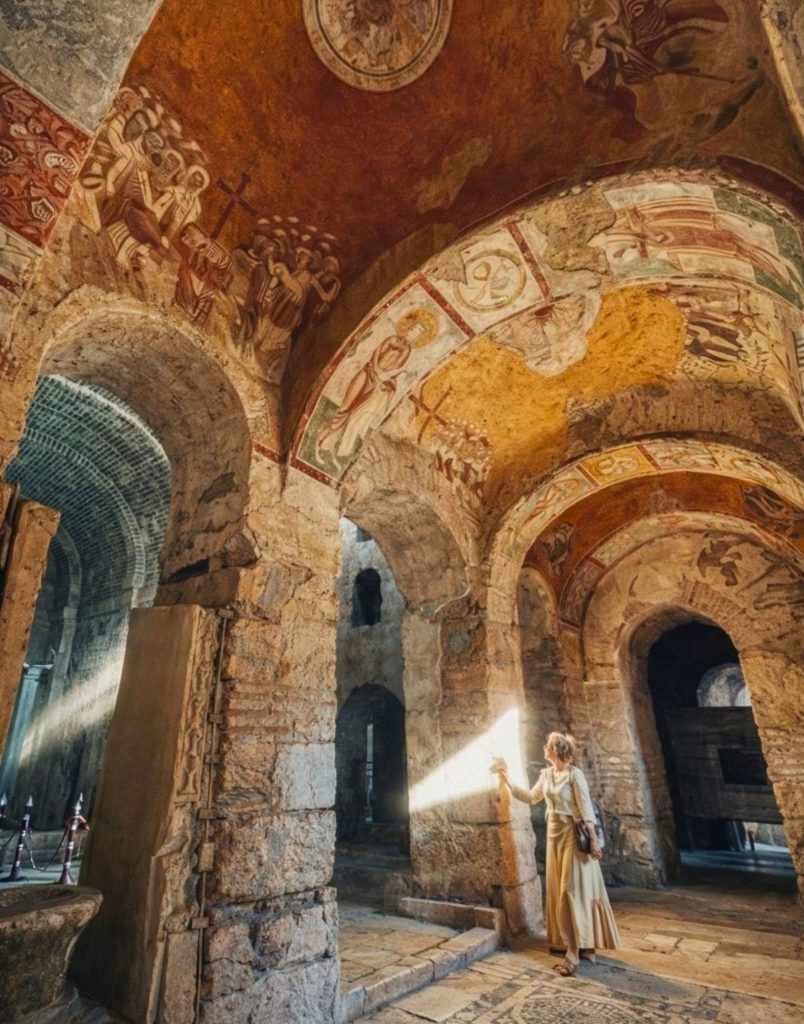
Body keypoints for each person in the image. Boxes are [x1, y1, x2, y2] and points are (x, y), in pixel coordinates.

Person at [492, 732, 621, 976]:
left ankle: (573, 953)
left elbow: (585, 808)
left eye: (548, 745)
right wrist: (508, 781)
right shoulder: (547, 775)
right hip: (554, 837)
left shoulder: (574, 775)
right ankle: (582, 945)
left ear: (556, 750)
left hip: (573, 836)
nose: (544, 747)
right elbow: (532, 797)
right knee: (559, 890)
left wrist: (594, 839)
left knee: (569, 892)